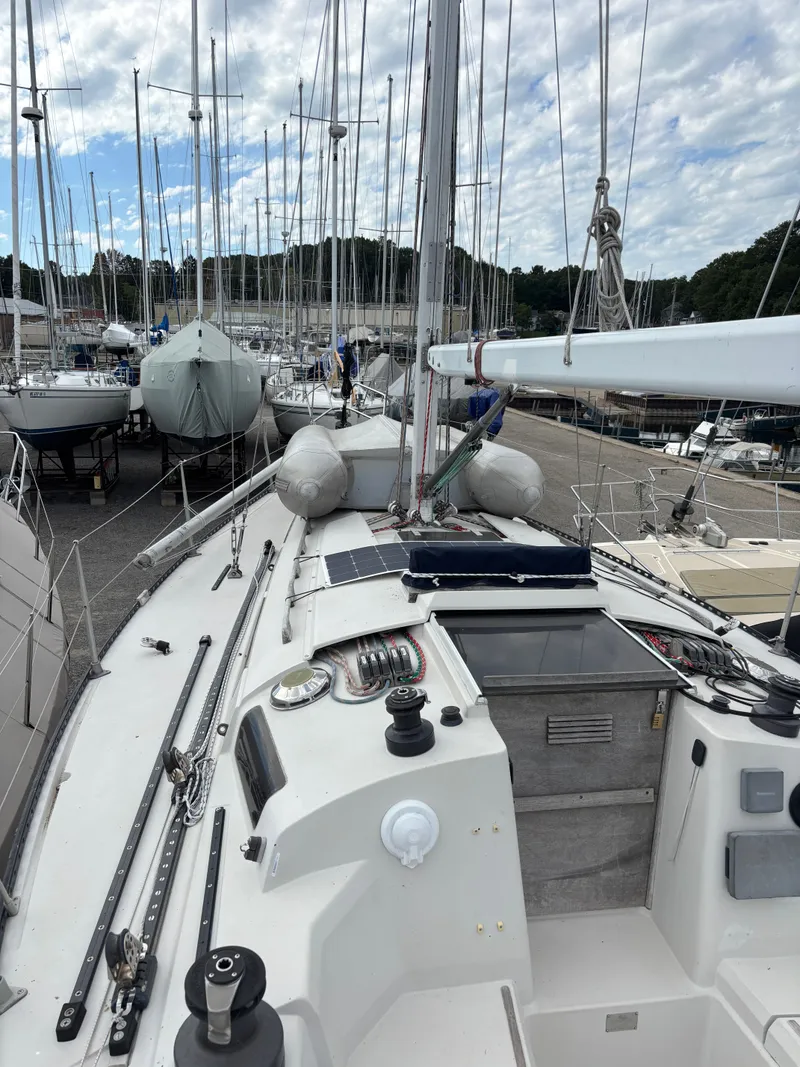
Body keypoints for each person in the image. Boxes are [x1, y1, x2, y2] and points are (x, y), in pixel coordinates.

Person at [335, 342, 356, 427]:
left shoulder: (348, 358)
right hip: (346, 379)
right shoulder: (348, 358)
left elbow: (350, 361)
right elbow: (351, 361)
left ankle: (344, 419)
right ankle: (343, 419)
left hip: (346, 379)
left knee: (346, 391)